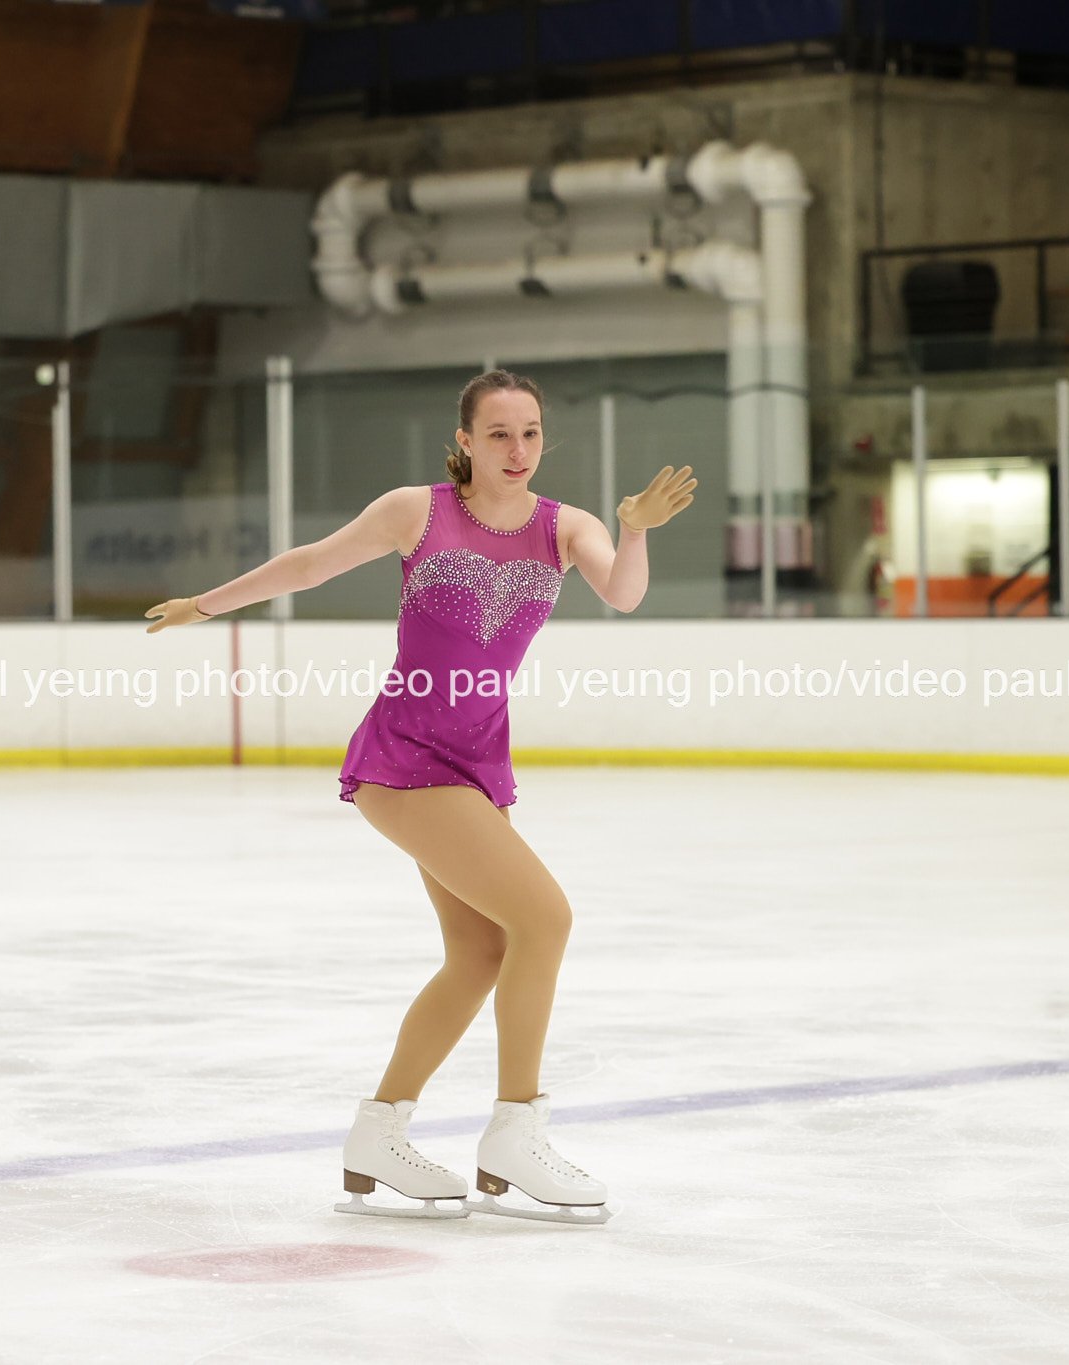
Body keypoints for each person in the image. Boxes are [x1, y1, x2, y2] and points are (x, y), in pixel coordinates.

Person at [144, 369, 696, 1225]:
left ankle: (379, 1131)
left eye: (531, 433)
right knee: (545, 919)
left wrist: (633, 530)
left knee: (481, 952)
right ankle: (515, 1130)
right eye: (500, 433)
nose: (518, 449)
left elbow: (623, 593)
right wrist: (205, 606)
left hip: (478, 763)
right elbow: (312, 564)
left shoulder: (566, 526)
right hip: (406, 756)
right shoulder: (418, 511)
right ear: (466, 440)